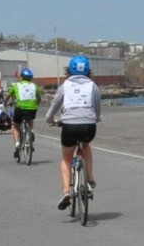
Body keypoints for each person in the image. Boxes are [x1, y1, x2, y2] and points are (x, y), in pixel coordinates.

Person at [45, 55, 101, 209]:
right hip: (88, 126)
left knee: (66, 159)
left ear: (69, 70)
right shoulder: (93, 86)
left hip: (69, 125)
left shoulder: (65, 85)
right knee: (86, 146)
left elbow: (55, 104)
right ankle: (90, 179)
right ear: (89, 70)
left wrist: (49, 119)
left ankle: (66, 192)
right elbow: (97, 107)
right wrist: (96, 118)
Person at [10, 67, 41, 160]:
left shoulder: (16, 86)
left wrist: (4, 103)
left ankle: (17, 144)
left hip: (20, 108)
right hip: (32, 108)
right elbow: (39, 98)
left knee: (16, 126)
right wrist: (36, 105)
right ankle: (31, 131)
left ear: (21, 77)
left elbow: (8, 96)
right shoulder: (35, 86)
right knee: (30, 119)